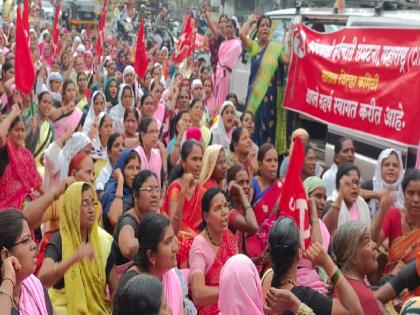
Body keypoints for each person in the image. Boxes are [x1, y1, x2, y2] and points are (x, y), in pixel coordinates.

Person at [38, 182, 117, 314]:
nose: (91, 209)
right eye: (85, 203)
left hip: (98, 310)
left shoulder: (104, 241)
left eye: (93, 203)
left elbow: (115, 289)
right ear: (72, 208)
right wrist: (74, 258)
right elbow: (43, 278)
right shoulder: (60, 240)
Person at [261, 217, 363, 315]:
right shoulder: (305, 297)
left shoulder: (265, 282)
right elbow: (354, 310)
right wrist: (329, 264)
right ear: (299, 253)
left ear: (270, 254)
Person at [115, 213, 192, 315]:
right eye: (168, 242)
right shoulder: (134, 288)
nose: (175, 248)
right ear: (151, 255)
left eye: (173, 238)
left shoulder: (171, 273)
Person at [240, 15, 290, 151]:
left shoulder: (275, 49)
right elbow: (241, 34)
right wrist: (250, 20)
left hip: (270, 101)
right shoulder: (254, 46)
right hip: (254, 99)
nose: (265, 28)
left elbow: (287, 60)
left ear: (271, 30)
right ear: (258, 29)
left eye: (268, 26)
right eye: (262, 25)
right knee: (251, 127)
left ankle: (265, 158)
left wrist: (292, 40)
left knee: (267, 131)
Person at [190, 188, 238, 314]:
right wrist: (231, 290)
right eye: (217, 209)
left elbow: (237, 273)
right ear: (206, 216)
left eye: (225, 206)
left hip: (233, 306)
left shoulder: (230, 237)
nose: (224, 212)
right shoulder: (199, 245)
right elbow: (198, 294)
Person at [162, 140, 206, 268]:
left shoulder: (201, 190)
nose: (198, 164)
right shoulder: (176, 188)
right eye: (194, 159)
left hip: (197, 240)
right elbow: (173, 228)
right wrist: (183, 191)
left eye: (200, 159)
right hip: (178, 242)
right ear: (183, 162)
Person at [0, 209, 54, 315]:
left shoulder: (35, 286)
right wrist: (8, 280)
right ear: (6, 255)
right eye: (26, 240)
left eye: (31, 238)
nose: (34, 245)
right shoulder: (4, 299)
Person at [371, 169, 420, 275]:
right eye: (410, 193)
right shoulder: (393, 215)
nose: (416, 199)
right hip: (393, 281)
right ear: (403, 194)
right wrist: (382, 212)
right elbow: (374, 243)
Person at [112, 170, 160, 275]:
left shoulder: (154, 217)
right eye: (149, 190)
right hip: (125, 281)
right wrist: (157, 242)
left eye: (157, 189)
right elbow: (128, 248)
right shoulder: (128, 220)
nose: (155, 195)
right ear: (135, 195)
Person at [332, 222, 383, 314]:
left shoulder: (342, 285)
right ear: (352, 256)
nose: (375, 245)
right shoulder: (364, 298)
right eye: (367, 242)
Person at [0, 105, 42, 209]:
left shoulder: (26, 155)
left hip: (25, 203)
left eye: (22, 130)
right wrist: (12, 115)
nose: (20, 134)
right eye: (16, 130)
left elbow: (37, 181)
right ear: (8, 132)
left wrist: (52, 196)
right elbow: (0, 135)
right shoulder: (4, 149)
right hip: (6, 208)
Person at [323, 163, 371, 234]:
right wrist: (341, 193)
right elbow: (326, 228)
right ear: (340, 184)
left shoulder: (362, 204)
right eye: (349, 183)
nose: (354, 187)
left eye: (357, 182)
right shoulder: (331, 204)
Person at [100, 149, 141, 232]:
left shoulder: (138, 191)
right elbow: (115, 219)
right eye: (130, 168)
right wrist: (120, 181)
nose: (135, 173)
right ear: (121, 169)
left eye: (138, 168)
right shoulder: (111, 190)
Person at [362, 148, 404, 216]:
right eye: (387, 165)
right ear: (380, 168)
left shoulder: (404, 191)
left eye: (395, 165)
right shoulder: (370, 186)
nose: (391, 168)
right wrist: (378, 195)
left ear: (400, 170)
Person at [227, 165, 258, 253]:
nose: (245, 186)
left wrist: (257, 259)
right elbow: (253, 227)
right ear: (232, 185)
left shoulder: (243, 209)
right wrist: (241, 193)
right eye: (241, 183)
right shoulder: (228, 210)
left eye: (247, 182)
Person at [213, 19, 242, 113]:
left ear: (235, 29)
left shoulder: (237, 44)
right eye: (227, 27)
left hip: (227, 76)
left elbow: (230, 63)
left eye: (231, 27)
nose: (228, 29)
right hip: (218, 74)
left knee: (223, 100)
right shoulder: (223, 43)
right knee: (217, 99)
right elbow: (219, 60)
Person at [24, 91, 55, 177]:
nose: (47, 105)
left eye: (49, 103)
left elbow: (52, 149)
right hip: (28, 166)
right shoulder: (32, 120)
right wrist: (32, 133)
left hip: (43, 167)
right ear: (39, 104)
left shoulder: (51, 126)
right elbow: (23, 146)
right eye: (44, 102)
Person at [251, 143, 283, 225]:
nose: (273, 164)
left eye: (276, 160)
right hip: (254, 233)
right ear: (260, 164)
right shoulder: (253, 184)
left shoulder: (281, 187)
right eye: (269, 160)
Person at [136, 118, 163, 187]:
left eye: (157, 132)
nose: (155, 136)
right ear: (142, 135)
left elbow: (158, 183)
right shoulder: (136, 154)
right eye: (151, 132)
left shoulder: (157, 154)